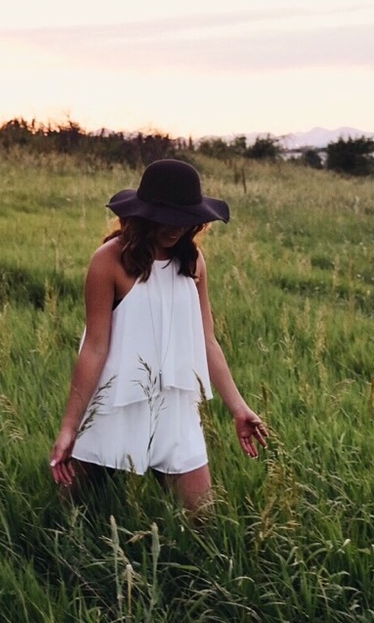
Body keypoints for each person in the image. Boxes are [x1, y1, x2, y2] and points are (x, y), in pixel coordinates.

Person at [50, 159, 267, 514]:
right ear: (144, 213)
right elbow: (94, 346)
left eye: (185, 220)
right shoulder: (108, 261)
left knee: (203, 522)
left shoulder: (192, 262)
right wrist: (70, 426)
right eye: (168, 218)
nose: (177, 229)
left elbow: (207, 340)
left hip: (175, 404)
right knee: (72, 511)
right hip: (116, 401)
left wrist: (239, 408)